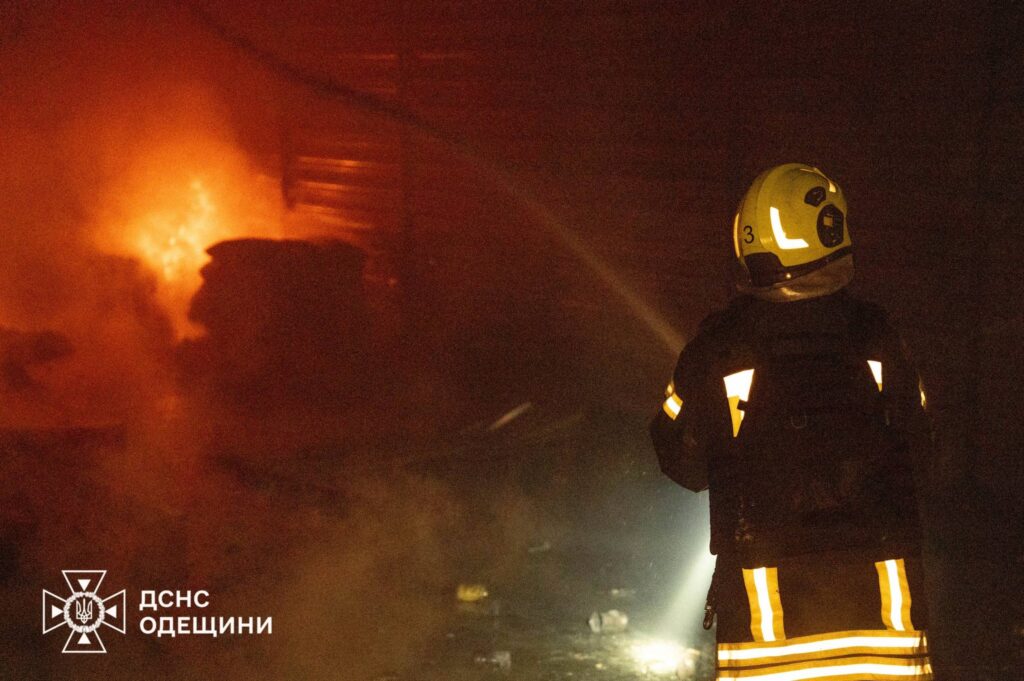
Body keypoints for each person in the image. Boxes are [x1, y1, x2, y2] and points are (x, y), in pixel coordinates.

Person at [651, 164, 933, 680]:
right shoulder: (879, 336)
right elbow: (927, 447)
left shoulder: (720, 348)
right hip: (886, 629)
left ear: (749, 243)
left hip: (768, 635)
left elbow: (678, 457)